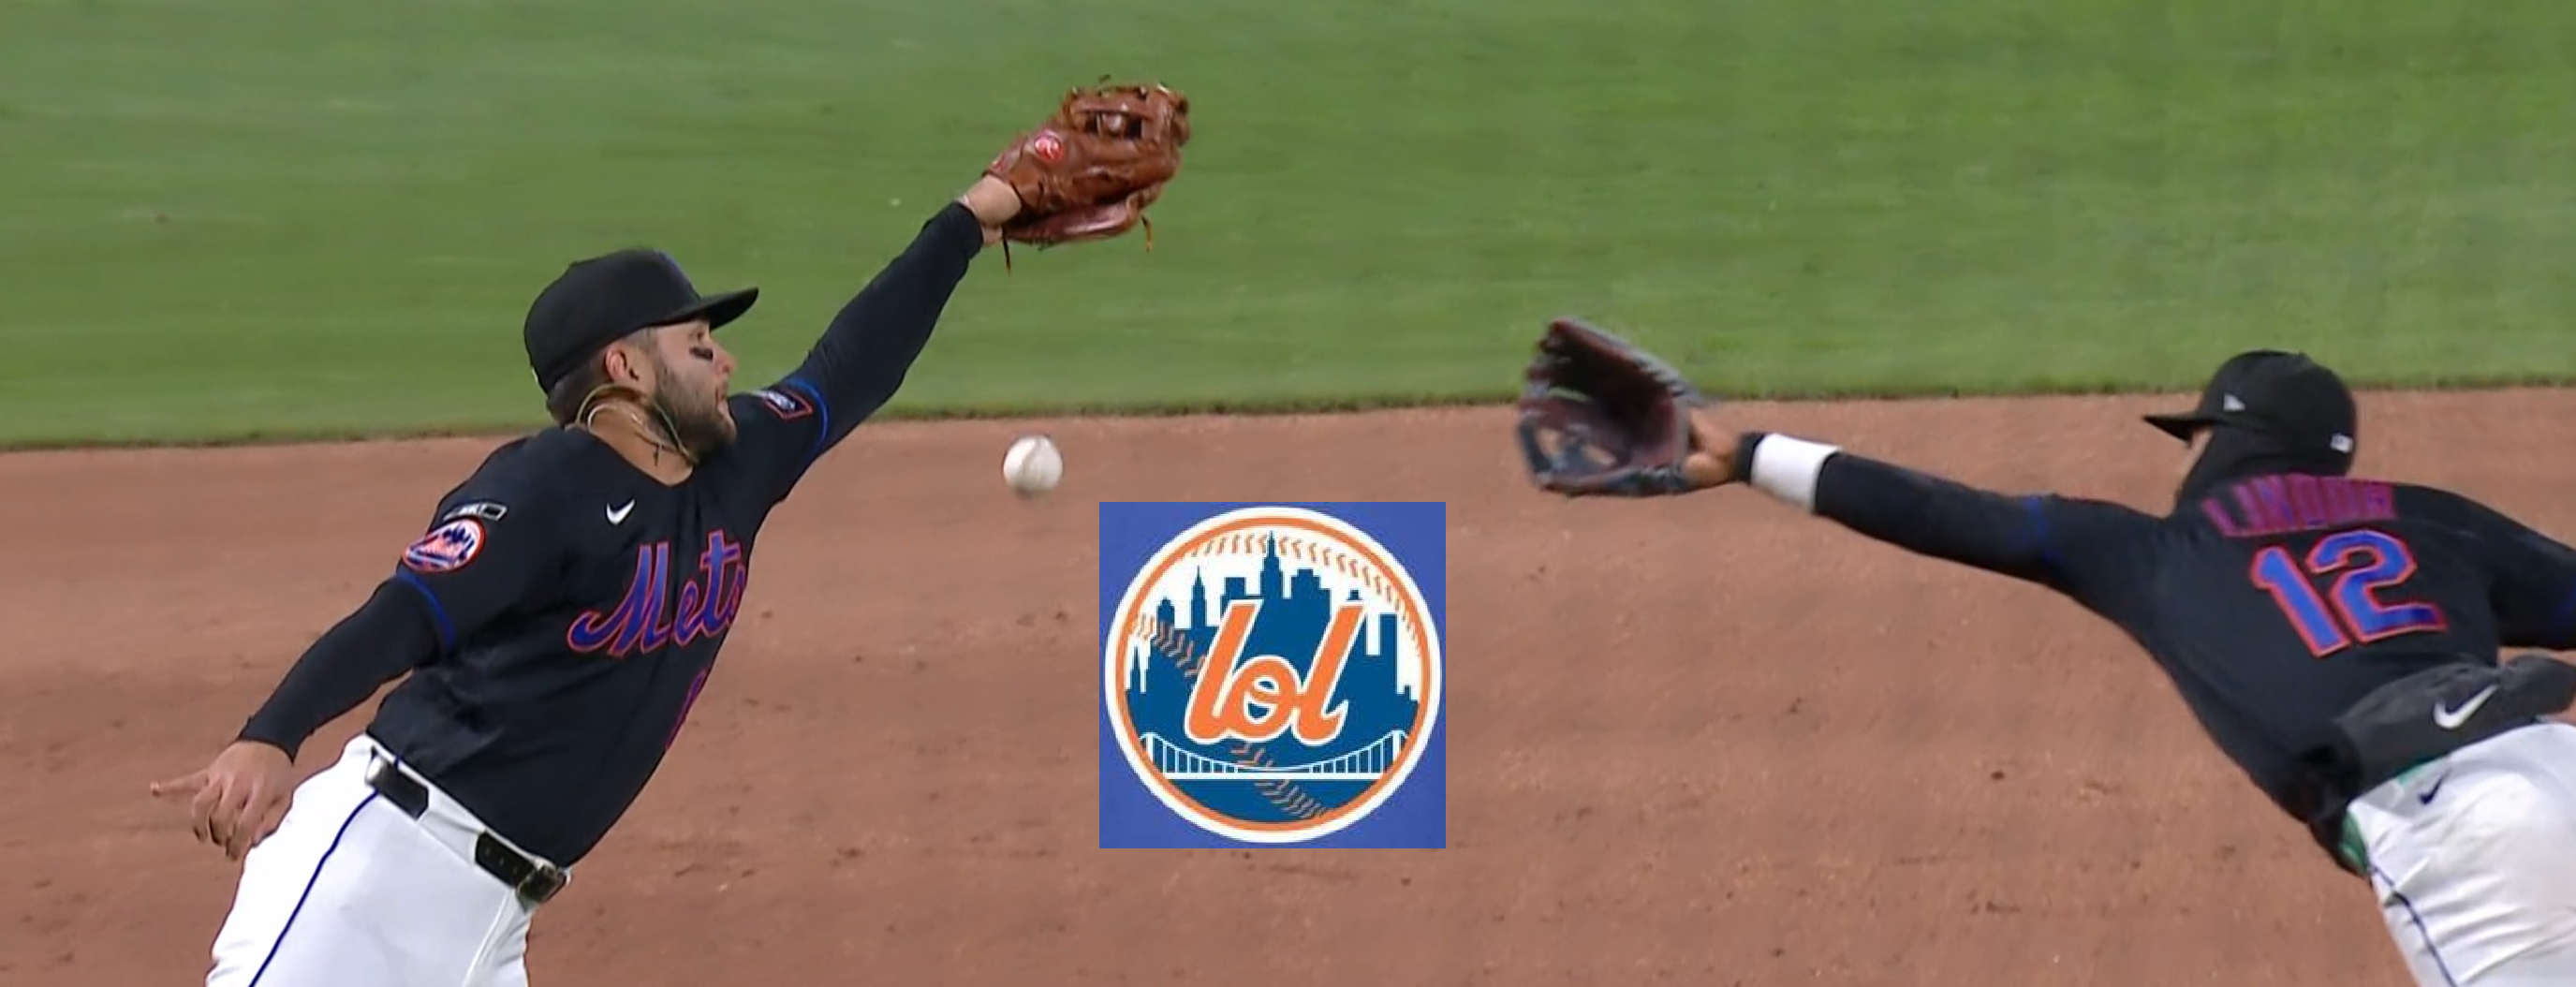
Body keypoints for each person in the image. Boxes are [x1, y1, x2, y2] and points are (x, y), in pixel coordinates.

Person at [146, 171, 1030, 987]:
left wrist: (967, 223)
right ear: (627, 368)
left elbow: (850, 367)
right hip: (379, 877)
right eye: (698, 345)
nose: (725, 363)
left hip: (494, 922)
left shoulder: (737, 466)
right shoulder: (542, 489)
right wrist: (271, 736)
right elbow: (404, 615)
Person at [1656, 350, 2576, 986]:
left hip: (2456, 834)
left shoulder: (2152, 552)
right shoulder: (2432, 518)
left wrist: (1750, 455)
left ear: (2232, 441)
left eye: (2197, 437)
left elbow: (1950, 515)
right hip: (2552, 762)